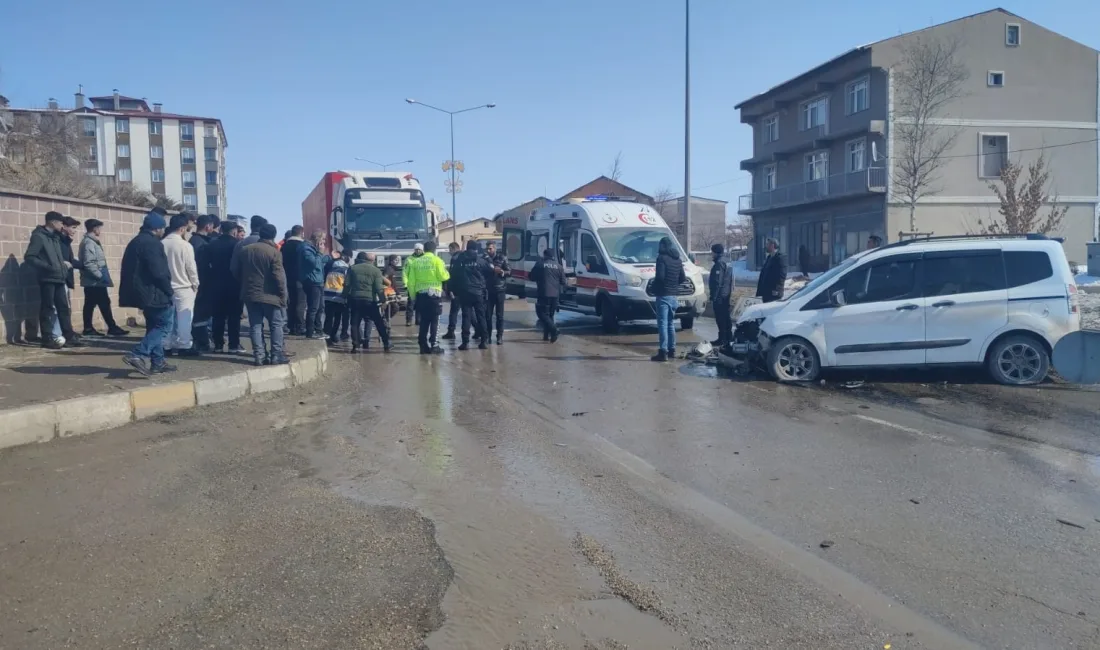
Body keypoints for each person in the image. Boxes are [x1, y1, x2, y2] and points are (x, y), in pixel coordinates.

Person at [119, 211, 176, 376]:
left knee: (153, 326)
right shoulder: (152, 244)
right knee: (164, 326)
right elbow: (159, 272)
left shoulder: (136, 241)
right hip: (154, 292)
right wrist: (168, 290)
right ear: (157, 229)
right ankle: (137, 354)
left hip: (141, 293)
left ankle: (158, 362)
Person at [25, 211, 83, 349]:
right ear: (52, 222)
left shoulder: (55, 237)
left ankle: (68, 336)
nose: (62, 225)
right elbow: (30, 257)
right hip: (47, 278)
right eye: (60, 223)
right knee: (47, 308)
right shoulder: (39, 236)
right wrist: (48, 267)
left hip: (59, 277)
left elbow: (60, 257)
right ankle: (47, 338)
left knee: (63, 308)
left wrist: (62, 267)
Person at [233, 223, 289, 366]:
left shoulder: (245, 250)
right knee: (276, 325)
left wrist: (246, 283)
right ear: (273, 235)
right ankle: (276, 355)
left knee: (255, 325)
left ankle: (259, 356)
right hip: (271, 295)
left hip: (250, 294)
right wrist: (283, 295)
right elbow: (279, 277)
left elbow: (235, 270)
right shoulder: (274, 252)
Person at [79, 218, 127, 337]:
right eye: (99, 228)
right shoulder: (89, 242)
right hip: (94, 280)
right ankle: (98, 328)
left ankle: (106, 327)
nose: (100, 230)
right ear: (95, 229)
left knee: (97, 303)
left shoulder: (92, 241)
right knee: (97, 303)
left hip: (94, 280)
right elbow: (89, 263)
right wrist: (100, 276)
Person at [162, 214, 200, 356]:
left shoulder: (162, 243)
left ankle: (166, 345)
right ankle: (184, 345)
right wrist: (195, 284)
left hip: (166, 287)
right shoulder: (185, 246)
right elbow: (191, 268)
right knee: (185, 318)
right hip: (184, 286)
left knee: (167, 318)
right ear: (183, 228)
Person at [403, 241, 449, 354]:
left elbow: (411, 282)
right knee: (435, 320)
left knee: (424, 321)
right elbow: (443, 276)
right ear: (434, 249)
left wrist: (413, 296)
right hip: (433, 295)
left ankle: (422, 345)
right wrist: (447, 273)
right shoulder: (437, 260)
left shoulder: (416, 262)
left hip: (420, 295)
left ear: (424, 249)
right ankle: (434, 345)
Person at [207, 221, 246, 354]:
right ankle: (233, 345)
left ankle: (218, 344)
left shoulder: (212, 244)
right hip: (234, 284)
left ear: (221, 230)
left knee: (218, 316)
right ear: (234, 231)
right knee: (234, 317)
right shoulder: (237, 245)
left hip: (216, 284)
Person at [344, 252, 392, 353]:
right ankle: (386, 344)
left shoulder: (352, 269)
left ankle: (355, 346)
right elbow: (379, 289)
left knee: (354, 323)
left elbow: (347, 285)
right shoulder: (376, 271)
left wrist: (344, 297)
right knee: (378, 323)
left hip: (355, 300)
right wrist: (383, 301)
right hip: (370, 301)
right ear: (372, 260)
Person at [449, 240, 491, 350]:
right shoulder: (480, 260)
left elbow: (453, 275)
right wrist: (483, 284)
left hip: (465, 292)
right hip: (478, 292)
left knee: (466, 317)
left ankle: (465, 342)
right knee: (481, 316)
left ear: (467, 248)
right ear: (476, 248)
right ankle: (484, 341)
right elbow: (489, 272)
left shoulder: (460, 260)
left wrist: (452, 290)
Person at [651, 236, 685, 362]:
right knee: (670, 324)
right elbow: (682, 277)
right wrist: (673, 284)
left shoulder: (661, 259)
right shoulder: (678, 260)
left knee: (662, 324)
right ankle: (672, 350)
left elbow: (660, 277)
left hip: (663, 295)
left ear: (663, 246)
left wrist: (654, 287)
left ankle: (663, 352)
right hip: (673, 295)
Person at [189, 214, 219, 352]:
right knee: (201, 315)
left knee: (201, 315)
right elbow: (200, 265)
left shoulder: (194, 241)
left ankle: (202, 341)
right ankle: (201, 342)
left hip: (200, 282)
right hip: (202, 283)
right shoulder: (200, 243)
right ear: (208, 226)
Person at [530, 247, 565, 343]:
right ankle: (548, 336)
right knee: (550, 315)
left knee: (541, 314)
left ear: (544, 255)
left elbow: (531, 277)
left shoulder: (540, 264)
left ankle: (554, 330)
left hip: (543, 293)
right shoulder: (559, 266)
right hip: (555, 295)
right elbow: (563, 282)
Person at [299, 230, 327, 339]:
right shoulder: (306, 249)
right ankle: (310, 332)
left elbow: (319, 262)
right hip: (312, 281)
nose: (324, 242)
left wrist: (329, 257)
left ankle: (319, 331)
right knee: (313, 308)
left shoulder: (313, 249)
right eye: (323, 239)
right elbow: (314, 263)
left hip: (318, 281)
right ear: (318, 239)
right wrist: (320, 253)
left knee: (320, 307)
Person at [482, 242, 510, 345]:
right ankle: (488, 336)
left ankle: (499, 337)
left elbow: (509, 271)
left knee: (500, 316)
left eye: (490, 249)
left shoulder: (502, 257)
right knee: (487, 315)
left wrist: (502, 272)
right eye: (487, 249)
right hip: (488, 290)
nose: (488, 251)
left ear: (494, 248)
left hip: (500, 290)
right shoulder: (484, 259)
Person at [281, 225, 306, 335]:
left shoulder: (284, 246)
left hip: (287, 277)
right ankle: (300, 326)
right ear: (301, 233)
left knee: (291, 303)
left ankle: (291, 325)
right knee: (301, 303)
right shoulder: (302, 246)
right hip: (300, 278)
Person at [323, 250, 351, 345]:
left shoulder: (331, 267)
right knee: (337, 318)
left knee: (329, 317)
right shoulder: (346, 269)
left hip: (327, 295)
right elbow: (347, 283)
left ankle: (327, 336)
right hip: (339, 296)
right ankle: (333, 335)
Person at [708, 243, 734, 346]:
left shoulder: (719, 263)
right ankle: (728, 337)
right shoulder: (728, 261)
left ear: (716, 252)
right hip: (726, 294)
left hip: (720, 296)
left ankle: (722, 338)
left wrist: (714, 296)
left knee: (721, 318)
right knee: (726, 317)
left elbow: (717, 282)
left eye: (712, 252)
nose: (711, 254)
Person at [384, 254, 416, 326]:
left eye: (397, 260)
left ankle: (385, 320)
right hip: (388, 292)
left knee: (392, 308)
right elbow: (386, 280)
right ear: (391, 261)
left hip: (391, 292)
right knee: (395, 307)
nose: (396, 262)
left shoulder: (392, 269)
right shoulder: (389, 269)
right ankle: (384, 320)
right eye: (395, 260)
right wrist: (397, 292)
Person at [755, 237, 787, 304]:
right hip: (767, 293)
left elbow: (782, 275)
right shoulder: (769, 257)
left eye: (767, 244)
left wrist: (777, 290)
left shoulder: (780, 258)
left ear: (772, 245)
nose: (766, 246)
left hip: (774, 293)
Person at [441, 241, 462, 340]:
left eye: (450, 250)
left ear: (453, 249)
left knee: (453, 312)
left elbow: (453, 275)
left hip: (457, 290)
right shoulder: (464, 256)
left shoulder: (455, 258)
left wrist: (450, 289)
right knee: (469, 312)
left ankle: (451, 331)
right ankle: (478, 330)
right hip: (465, 289)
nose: (449, 252)